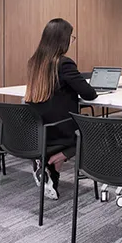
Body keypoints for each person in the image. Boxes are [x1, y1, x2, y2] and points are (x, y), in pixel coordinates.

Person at [25, 18, 97, 200]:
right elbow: (89, 94)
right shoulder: (64, 63)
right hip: (60, 128)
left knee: (70, 136)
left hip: (39, 128)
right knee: (90, 136)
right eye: (71, 38)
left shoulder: (34, 62)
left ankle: (51, 177)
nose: (71, 42)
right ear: (62, 39)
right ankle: (51, 160)